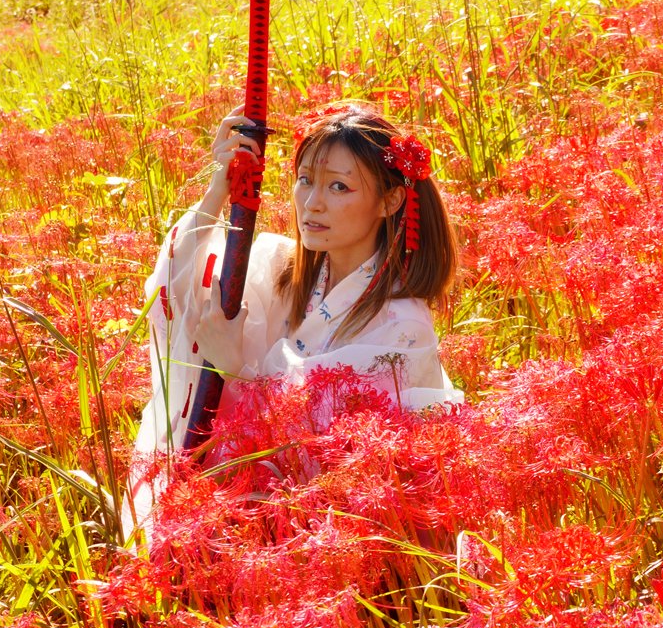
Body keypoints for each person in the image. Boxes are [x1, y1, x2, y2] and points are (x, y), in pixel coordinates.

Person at [126, 101, 463, 541]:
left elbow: (333, 468)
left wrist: (237, 370)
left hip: (326, 544)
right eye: (305, 181)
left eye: (339, 187)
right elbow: (173, 289)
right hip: (250, 523)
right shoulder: (282, 270)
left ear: (390, 200)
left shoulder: (402, 326)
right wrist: (219, 188)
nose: (313, 203)